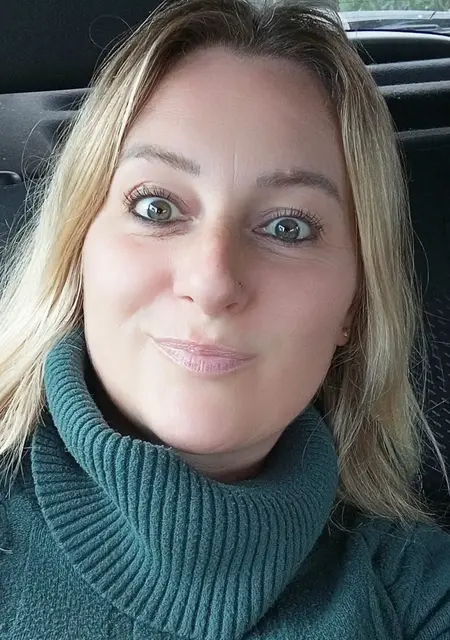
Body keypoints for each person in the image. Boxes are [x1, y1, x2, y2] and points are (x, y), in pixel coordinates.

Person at [1, 0, 450, 637]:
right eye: (156, 207)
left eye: (288, 227)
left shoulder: (415, 592)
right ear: (77, 250)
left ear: (354, 303)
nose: (212, 282)